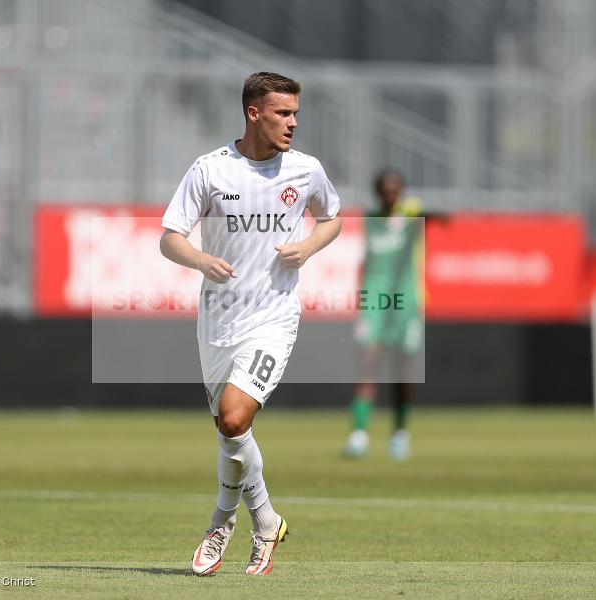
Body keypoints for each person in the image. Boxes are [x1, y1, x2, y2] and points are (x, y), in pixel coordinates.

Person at [160, 72, 342, 575]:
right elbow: (170, 236)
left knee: (236, 418)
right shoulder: (210, 170)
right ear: (253, 113)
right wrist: (199, 260)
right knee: (228, 431)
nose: (293, 123)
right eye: (283, 113)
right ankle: (266, 520)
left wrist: (309, 245)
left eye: (296, 113)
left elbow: (333, 217)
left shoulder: (304, 171)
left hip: (273, 318)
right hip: (217, 323)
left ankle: (221, 521)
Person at [343, 169, 442, 461]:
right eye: (385, 190)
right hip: (374, 302)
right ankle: (359, 434)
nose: (390, 194)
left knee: (402, 373)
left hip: (406, 303)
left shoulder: (411, 218)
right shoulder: (370, 220)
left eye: (395, 190)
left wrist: (427, 215)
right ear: (378, 193)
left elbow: (431, 215)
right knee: (368, 366)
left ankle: (400, 433)